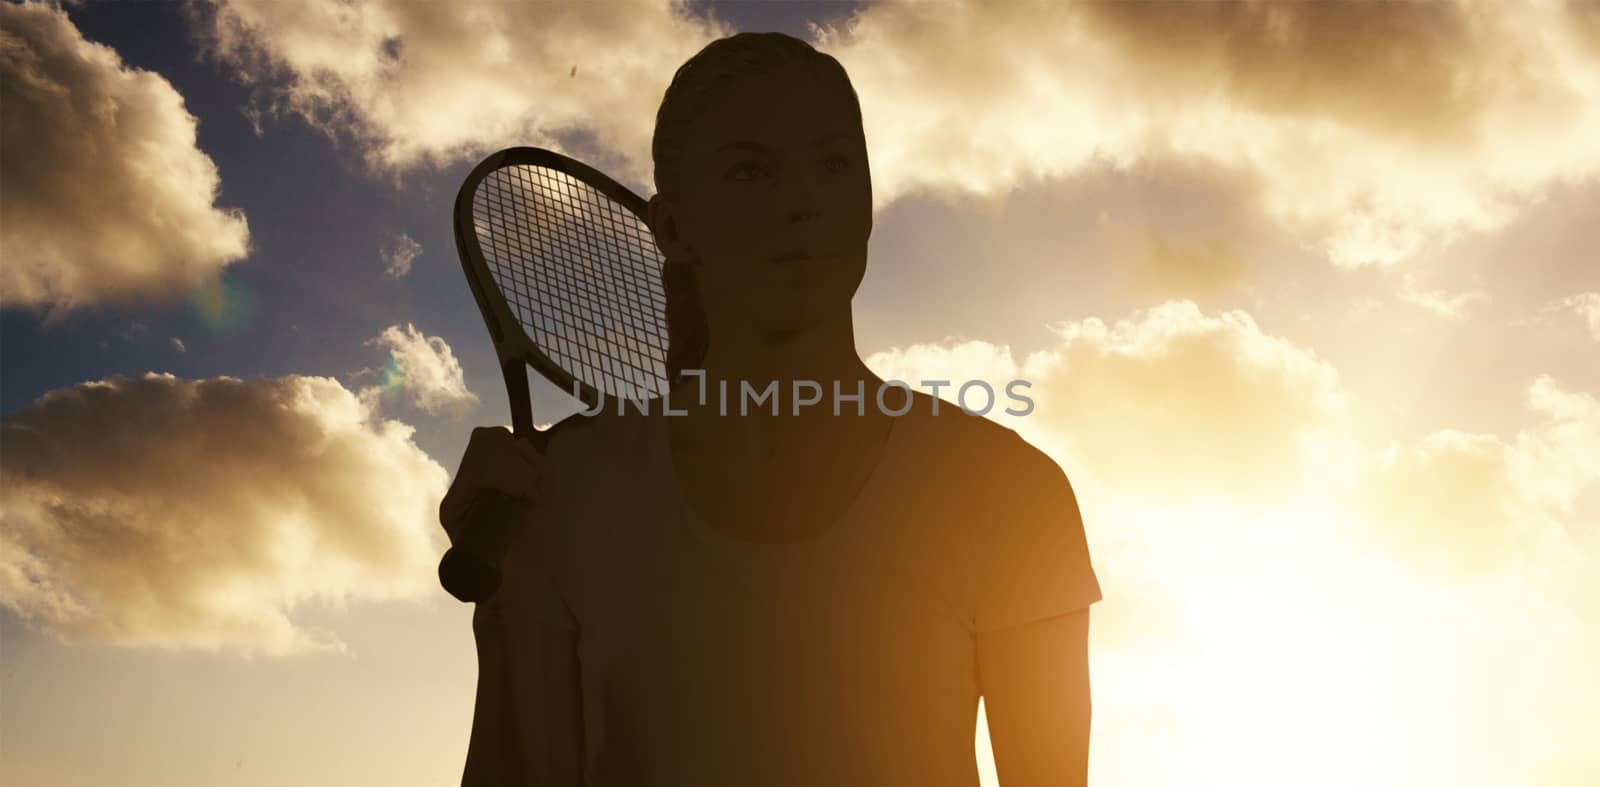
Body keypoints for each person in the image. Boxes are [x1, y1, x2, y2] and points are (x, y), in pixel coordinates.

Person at [440, 31, 1102, 787]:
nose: (802, 202)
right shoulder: (558, 495)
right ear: (674, 229)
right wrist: (500, 604)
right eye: (752, 170)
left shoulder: (1013, 493)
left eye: (833, 164)